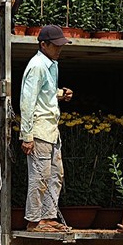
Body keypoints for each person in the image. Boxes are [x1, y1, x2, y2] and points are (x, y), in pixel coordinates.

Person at [20, 25, 73, 232]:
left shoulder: (51, 64)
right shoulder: (37, 66)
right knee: (40, 176)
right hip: (39, 131)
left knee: (55, 174)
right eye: (56, 45)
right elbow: (27, 101)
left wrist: (61, 94)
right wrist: (27, 136)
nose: (60, 49)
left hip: (51, 131)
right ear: (44, 44)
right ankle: (34, 221)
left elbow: (45, 94)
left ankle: (48, 216)